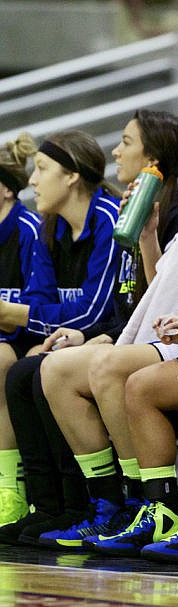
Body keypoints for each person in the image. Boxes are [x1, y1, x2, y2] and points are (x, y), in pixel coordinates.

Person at [34, 96, 178, 551]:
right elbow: (157, 296)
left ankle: (148, 500)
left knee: (113, 369)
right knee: (54, 371)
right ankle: (116, 499)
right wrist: (151, 238)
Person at [0, 112, 178, 543]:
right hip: (118, 335)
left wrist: (53, 326)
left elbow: (105, 307)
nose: (116, 150)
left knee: (42, 371)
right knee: (25, 372)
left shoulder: (123, 215)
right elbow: (48, 301)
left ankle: (112, 501)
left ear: (71, 177)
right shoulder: (51, 227)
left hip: (164, 342)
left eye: (126, 141)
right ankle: (55, 504)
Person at [0, 132, 42, 526]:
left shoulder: (28, 230)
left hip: (23, 340)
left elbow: (36, 307)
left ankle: (9, 490)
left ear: (8, 191)